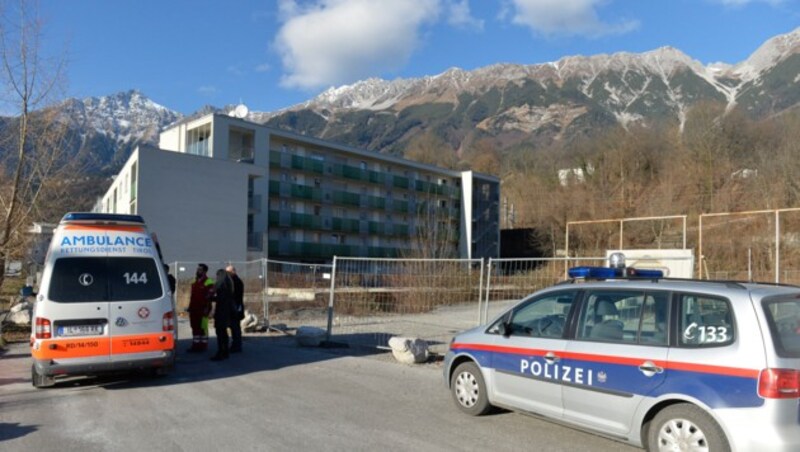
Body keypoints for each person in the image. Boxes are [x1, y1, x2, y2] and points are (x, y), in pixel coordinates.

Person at [187, 264, 214, 353]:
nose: (198, 271)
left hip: (203, 309)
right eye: (198, 269)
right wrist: (190, 307)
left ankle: (203, 345)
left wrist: (207, 309)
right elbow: (192, 296)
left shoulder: (209, 281)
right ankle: (195, 345)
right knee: (194, 327)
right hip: (194, 309)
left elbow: (209, 296)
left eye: (200, 269)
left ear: (205, 271)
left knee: (203, 327)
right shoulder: (194, 281)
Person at [210, 268, 235, 361]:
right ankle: (225, 351)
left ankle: (221, 352)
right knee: (223, 333)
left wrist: (211, 298)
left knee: (220, 333)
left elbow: (220, 299)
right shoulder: (229, 284)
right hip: (227, 311)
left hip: (221, 312)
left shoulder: (221, 286)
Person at [226, 265, 245, 353]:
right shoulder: (232, 281)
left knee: (235, 327)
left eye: (229, 272)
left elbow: (235, 296)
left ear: (233, 271)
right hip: (233, 307)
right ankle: (235, 345)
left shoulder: (236, 281)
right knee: (234, 327)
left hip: (236, 308)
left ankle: (237, 346)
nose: (227, 274)